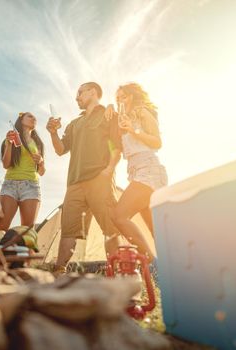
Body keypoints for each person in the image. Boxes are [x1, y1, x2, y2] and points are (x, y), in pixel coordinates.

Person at [46, 82, 122, 274]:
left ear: (93, 92)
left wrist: (109, 170)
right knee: (68, 230)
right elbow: (61, 149)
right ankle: (59, 270)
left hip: (100, 180)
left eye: (80, 92)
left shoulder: (109, 115)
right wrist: (53, 133)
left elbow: (116, 145)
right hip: (74, 184)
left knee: (110, 227)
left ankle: (117, 271)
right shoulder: (74, 124)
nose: (77, 97)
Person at [105, 83, 168, 258]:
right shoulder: (121, 117)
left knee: (119, 216)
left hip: (149, 169)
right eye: (117, 98)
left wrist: (133, 130)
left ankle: (150, 263)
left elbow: (157, 142)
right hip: (134, 172)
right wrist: (109, 107)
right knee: (156, 232)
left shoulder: (142, 112)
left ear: (132, 96)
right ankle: (166, 273)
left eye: (123, 97)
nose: (119, 101)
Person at [0, 112, 45, 239]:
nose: (34, 118)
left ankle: (27, 259)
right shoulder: (11, 138)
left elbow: (41, 172)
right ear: (21, 119)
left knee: (27, 231)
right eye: (30, 116)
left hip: (31, 186)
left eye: (35, 117)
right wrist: (10, 144)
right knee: (1, 229)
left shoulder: (38, 143)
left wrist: (41, 162)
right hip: (10, 185)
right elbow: (6, 165)